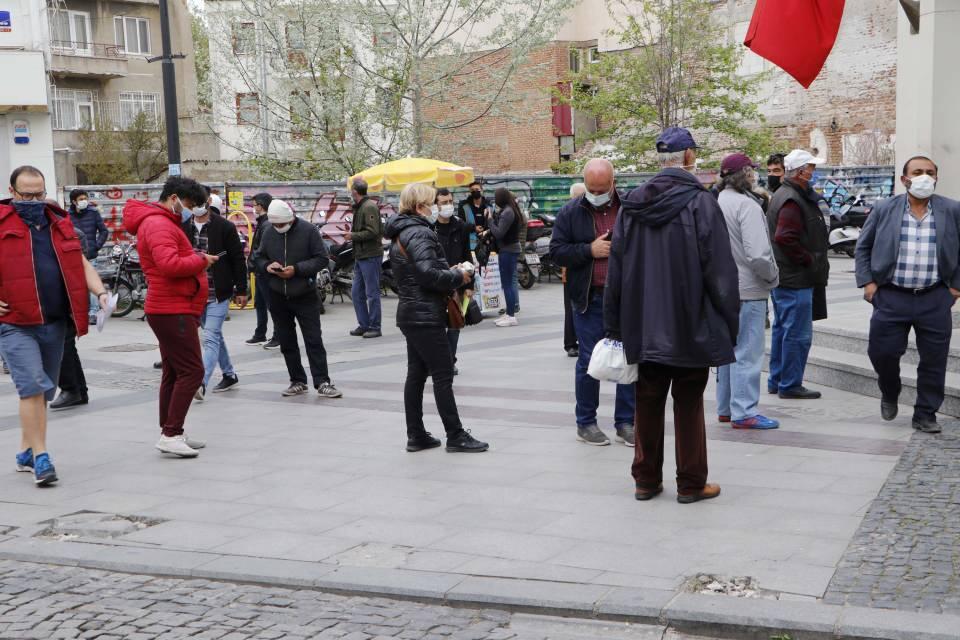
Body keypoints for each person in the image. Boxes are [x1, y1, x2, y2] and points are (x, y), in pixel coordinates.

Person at [607, 128, 739, 504]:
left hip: (644, 324)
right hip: (690, 322)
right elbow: (721, 272)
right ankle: (691, 482)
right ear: (689, 158)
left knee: (646, 400)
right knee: (689, 401)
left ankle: (645, 480)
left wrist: (615, 323)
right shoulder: (701, 203)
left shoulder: (631, 206)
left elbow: (616, 270)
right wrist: (730, 321)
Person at [0, 166, 110, 486]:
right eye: (26, 195)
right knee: (32, 386)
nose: (33, 200)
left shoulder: (59, 222)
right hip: (15, 323)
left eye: (39, 193)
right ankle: (41, 457)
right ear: (12, 191)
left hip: (55, 322)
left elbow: (80, 262)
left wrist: (100, 293)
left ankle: (25, 449)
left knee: (44, 390)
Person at [855, 155, 960, 434]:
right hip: (891, 295)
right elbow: (863, 247)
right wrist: (868, 283)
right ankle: (890, 390)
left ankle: (925, 413)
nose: (924, 176)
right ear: (905, 179)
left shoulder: (952, 209)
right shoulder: (884, 208)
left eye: (929, 172)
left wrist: (955, 288)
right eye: (918, 172)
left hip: (935, 296)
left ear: (936, 178)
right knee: (882, 353)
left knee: (934, 360)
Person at [386, 183, 488, 453]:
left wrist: (448, 269)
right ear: (419, 206)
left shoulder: (403, 231)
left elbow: (420, 271)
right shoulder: (419, 233)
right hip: (425, 315)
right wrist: (458, 276)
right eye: (432, 202)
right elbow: (427, 275)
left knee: (417, 374)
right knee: (443, 375)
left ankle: (416, 435)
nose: (437, 207)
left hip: (411, 313)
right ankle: (455, 435)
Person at [123, 176, 219, 458]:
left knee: (174, 371)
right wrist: (202, 259)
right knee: (192, 371)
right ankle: (171, 433)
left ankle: (171, 429)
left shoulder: (161, 222)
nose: (190, 209)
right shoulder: (158, 224)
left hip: (171, 306)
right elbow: (169, 265)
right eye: (189, 203)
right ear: (174, 197)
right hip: (171, 307)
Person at [551, 160, 636, 447]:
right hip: (590, 298)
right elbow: (557, 252)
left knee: (629, 358)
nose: (596, 193)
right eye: (591, 188)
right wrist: (589, 250)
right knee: (589, 361)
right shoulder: (570, 212)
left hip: (625, 297)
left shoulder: (630, 208)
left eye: (602, 189)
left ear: (614, 182)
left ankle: (626, 422)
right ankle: (585, 422)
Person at [715, 153, 780, 429]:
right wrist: (773, 277)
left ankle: (726, 407)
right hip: (749, 288)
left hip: (723, 287)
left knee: (729, 351)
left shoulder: (716, 202)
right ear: (744, 175)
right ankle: (744, 411)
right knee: (748, 352)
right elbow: (758, 254)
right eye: (752, 171)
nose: (755, 175)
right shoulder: (747, 206)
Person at [254, 199, 341, 398]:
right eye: (275, 225)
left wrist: (297, 270)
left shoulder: (308, 230)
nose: (278, 228)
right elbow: (257, 257)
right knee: (286, 341)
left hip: (305, 294)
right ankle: (297, 380)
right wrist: (267, 266)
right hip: (277, 294)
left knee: (313, 340)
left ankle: (323, 381)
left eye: (281, 225)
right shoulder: (268, 231)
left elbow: (321, 259)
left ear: (291, 219)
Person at [767, 149, 830, 400]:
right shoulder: (793, 198)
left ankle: (779, 379)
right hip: (795, 278)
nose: (814, 171)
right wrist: (809, 259)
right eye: (811, 167)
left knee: (784, 329)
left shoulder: (787, 194)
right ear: (802, 171)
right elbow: (785, 237)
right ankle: (790, 384)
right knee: (797, 334)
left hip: (788, 277)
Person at [182, 195, 248, 400]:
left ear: (209, 203)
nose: (196, 209)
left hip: (219, 292)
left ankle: (200, 383)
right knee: (215, 335)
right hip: (195, 292)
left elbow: (238, 258)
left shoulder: (224, 227)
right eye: (192, 205)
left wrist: (242, 290)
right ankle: (229, 374)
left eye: (199, 204)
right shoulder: (184, 226)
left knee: (210, 337)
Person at [49, 219, 92, 411]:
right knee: (67, 346)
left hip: (66, 298)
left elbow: (80, 265)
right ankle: (77, 391)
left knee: (62, 346)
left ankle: (71, 389)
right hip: (57, 298)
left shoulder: (72, 234)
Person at [434, 188, 472, 375]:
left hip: (458, 282)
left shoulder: (461, 227)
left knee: (455, 325)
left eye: (450, 201)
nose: (448, 205)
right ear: (435, 205)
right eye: (443, 202)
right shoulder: (429, 228)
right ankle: (440, 361)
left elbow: (467, 255)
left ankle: (450, 360)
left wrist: (469, 286)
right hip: (437, 283)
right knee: (438, 326)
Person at [347, 178, 384, 339]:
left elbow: (373, 231)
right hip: (361, 255)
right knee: (356, 293)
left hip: (370, 255)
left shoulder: (368, 207)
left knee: (372, 293)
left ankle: (375, 327)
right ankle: (364, 324)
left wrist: (352, 235)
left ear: (355, 191)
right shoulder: (361, 206)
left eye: (351, 190)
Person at [67, 188, 110, 323]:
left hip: (90, 254)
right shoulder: (67, 216)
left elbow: (104, 231)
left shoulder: (93, 213)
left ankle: (93, 312)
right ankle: (82, 311)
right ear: (74, 202)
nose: (84, 201)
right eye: (81, 199)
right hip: (75, 255)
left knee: (91, 283)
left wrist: (96, 246)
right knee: (78, 284)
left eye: (85, 198)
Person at [485, 188, 523, 327]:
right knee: (507, 283)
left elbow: (499, 233)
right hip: (509, 249)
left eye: (496, 197)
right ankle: (509, 313)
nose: (495, 200)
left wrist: (489, 219)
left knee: (507, 284)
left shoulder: (507, 212)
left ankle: (511, 316)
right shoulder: (510, 209)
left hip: (508, 250)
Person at [246, 193, 279, 349]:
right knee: (260, 303)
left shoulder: (266, 224)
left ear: (261, 205)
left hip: (264, 271)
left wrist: (255, 263)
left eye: (255, 205)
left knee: (272, 305)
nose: (253, 208)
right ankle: (260, 334)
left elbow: (261, 250)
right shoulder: (262, 223)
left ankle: (278, 336)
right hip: (259, 271)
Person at [562, 183, 586, 357]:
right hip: (572, 267)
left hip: (588, 267)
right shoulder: (567, 214)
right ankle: (570, 342)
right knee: (570, 307)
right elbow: (560, 247)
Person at [457, 181, 490, 251]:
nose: (475, 192)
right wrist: (473, 228)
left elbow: (494, 223)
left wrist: (486, 231)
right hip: (470, 242)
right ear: (470, 192)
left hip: (487, 242)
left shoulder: (489, 206)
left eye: (477, 189)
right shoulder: (464, 206)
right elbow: (460, 223)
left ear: (482, 190)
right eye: (472, 190)